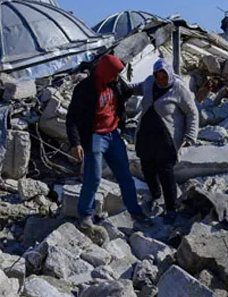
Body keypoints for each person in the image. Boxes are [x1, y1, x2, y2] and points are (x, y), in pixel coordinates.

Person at [66, 54, 148, 228]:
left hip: (113, 134)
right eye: (114, 73)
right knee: (93, 177)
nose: (117, 77)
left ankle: (135, 212)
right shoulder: (85, 89)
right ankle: (85, 214)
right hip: (94, 135)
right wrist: (76, 143)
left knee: (125, 175)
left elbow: (126, 93)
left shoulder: (115, 83)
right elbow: (72, 117)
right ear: (105, 71)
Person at [131, 57, 198, 220]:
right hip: (147, 134)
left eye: (163, 77)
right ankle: (155, 195)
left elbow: (192, 112)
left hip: (167, 137)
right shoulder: (149, 82)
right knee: (147, 167)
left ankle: (171, 209)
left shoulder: (178, 88)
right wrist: (119, 86)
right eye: (158, 77)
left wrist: (190, 136)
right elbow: (137, 87)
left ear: (169, 74)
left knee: (166, 172)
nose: (161, 80)